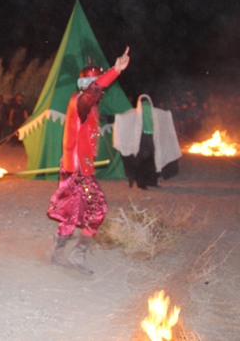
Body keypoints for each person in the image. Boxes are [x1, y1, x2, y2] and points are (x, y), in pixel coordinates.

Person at [48, 47, 131, 275]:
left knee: (70, 212)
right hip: (78, 172)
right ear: (88, 86)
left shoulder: (89, 106)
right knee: (99, 209)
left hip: (75, 168)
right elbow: (95, 89)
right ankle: (77, 255)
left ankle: (57, 254)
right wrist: (115, 70)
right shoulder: (81, 103)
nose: (100, 90)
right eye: (96, 84)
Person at [113, 94, 182, 190]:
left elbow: (124, 118)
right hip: (148, 139)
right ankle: (148, 182)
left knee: (146, 161)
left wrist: (118, 117)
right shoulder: (152, 112)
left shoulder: (136, 113)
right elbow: (164, 115)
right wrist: (168, 114)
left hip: (146, 139)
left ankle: (145, 182)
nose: (146, 107)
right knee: (150, 160)